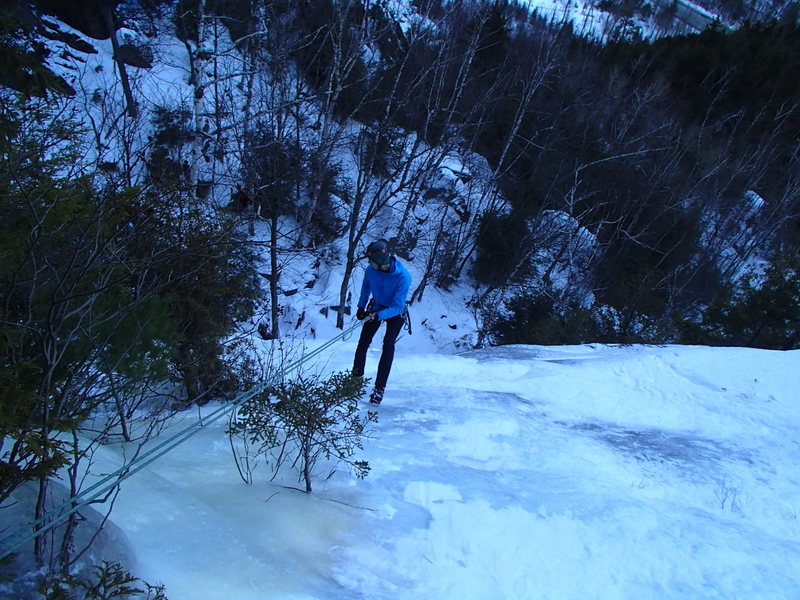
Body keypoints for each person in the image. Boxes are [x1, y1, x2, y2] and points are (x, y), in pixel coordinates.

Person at [352, 239, 412, 405]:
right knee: (363, 342)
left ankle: (379, 388)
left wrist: (378, 316)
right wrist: (360, 307)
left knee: (388, 344)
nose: (369, 264)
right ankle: (355, 379)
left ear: (379, 261)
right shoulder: (371, 270)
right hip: (377, 306)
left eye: (372, 261)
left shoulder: (403, 277)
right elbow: (366, 287)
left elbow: (398, 306)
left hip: (394, 310)